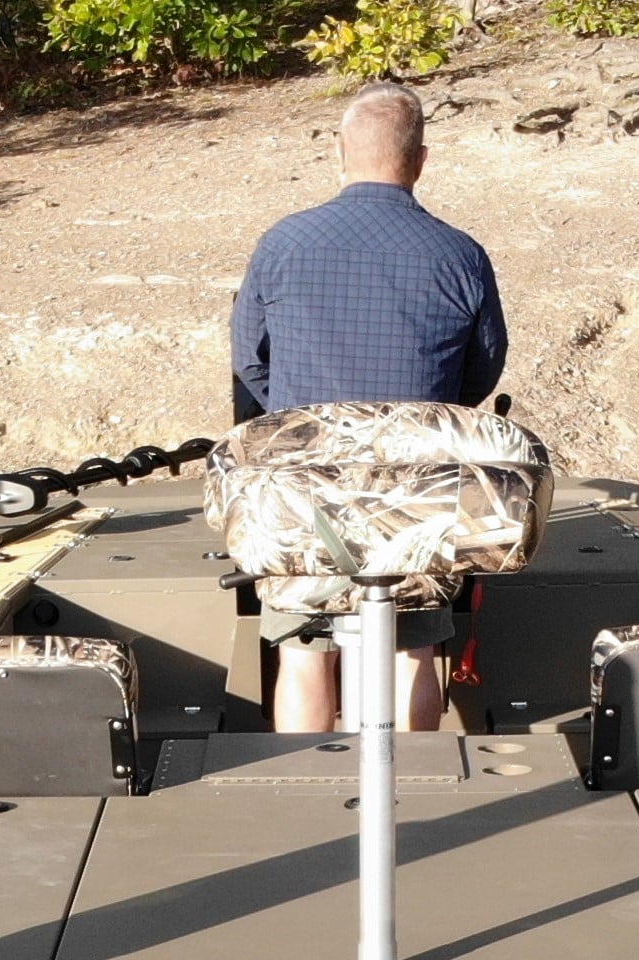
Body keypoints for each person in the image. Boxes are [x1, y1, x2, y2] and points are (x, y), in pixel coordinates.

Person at [231, 81, 508, 733]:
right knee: (413, 651)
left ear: (339, 152)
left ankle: (309, 794)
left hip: (303, 492)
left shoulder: (282, 244)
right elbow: (481, 371)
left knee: (303, 655)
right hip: (413, 497)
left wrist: (304, 426)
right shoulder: (460, 254)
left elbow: (250, 361)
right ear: (421, 159)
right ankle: (410, 792)